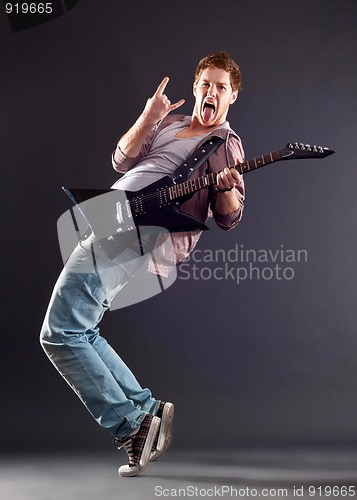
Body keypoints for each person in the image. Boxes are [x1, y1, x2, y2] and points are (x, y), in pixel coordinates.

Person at [40, 51, 245, 477]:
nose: (211, 91)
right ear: (195, 88)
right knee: (81, 328)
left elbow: (229, 216)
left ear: (233, 96)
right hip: (111, 217)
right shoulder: (169, 125)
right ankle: (144, 409)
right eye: (205, 83)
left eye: (220, 87)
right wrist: (148, 116)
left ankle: (131, 427)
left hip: (137, 234)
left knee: (60, 332)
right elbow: (121, 160)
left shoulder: (226, 145)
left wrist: (224, 190)